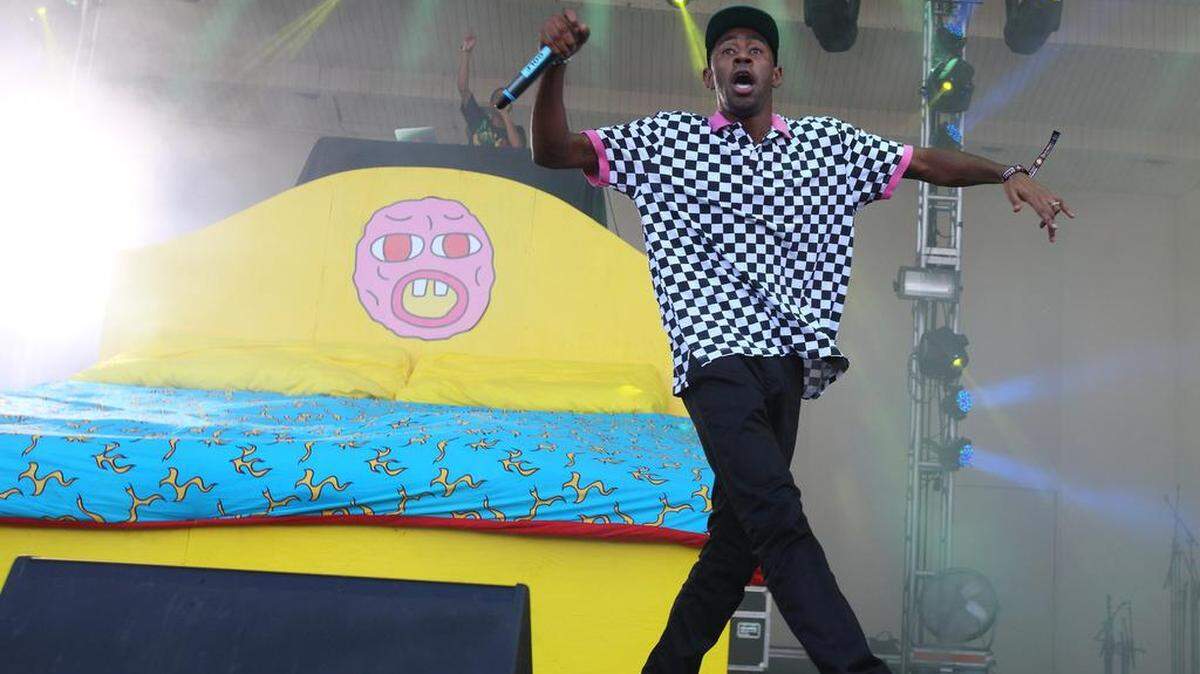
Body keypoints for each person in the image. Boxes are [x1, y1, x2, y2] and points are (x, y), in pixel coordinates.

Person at [530, 5, 1073, 674]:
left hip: (786, 367)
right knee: (778, 517)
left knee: (734, 548)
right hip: (715, 358)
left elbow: (925, 161)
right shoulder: (666, 141)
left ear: (775, 71)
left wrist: (1005, 173)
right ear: (711, 74)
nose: (741, 57)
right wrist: (555, 66)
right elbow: (552, 150)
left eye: (754, 48)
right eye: (727, 50)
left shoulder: (828, 147)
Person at [457, 32, 527, 148]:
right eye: (498, 97)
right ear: (490, 104)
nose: (502, 100)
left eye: (506, 98)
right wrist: (465, 53)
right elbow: (463, 89)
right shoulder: (479, 119)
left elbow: (517, 149)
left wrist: (504, 114)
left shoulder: (517, 131)